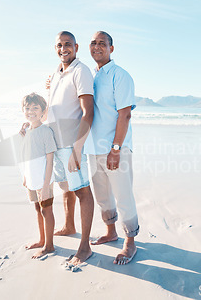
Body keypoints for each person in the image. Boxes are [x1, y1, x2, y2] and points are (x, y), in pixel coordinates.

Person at [39, 31, 95, 267]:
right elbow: (52, 109)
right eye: (59, 45)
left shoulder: (81, 71)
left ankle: (85, 246)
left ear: (76, 46)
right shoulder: (56, 73)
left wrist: (77, 148)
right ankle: (69, 225)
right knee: (66, 187)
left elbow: (88, 112)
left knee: (82, 190)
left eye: (68, 45)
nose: (64, 49)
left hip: (72, 143)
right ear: (55, 48)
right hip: (54, 142)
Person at [85, 31, 140, 265]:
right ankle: (111, 231)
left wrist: (115, 149)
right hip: (93, 148)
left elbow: (125, 114)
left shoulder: (120, 75)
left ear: (111, 48)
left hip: (116, 148)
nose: (97, 47)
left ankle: (130, 242)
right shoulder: (91, 77)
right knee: (102, 195)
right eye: (94, 43)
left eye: (102, 43)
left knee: (123, 195)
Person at [19, 93, 57, 259]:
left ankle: (49, 246)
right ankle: (42, 240)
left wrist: (45, 184)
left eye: (35, 108)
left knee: (46, 210)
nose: (31, 111)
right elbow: (27, 156)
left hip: (44, 180)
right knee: (37, 208)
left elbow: (50, 160)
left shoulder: (45, 131)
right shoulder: (28, 130)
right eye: (27, 108)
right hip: (32, 179)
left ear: (43, 111)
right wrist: (26, 178)